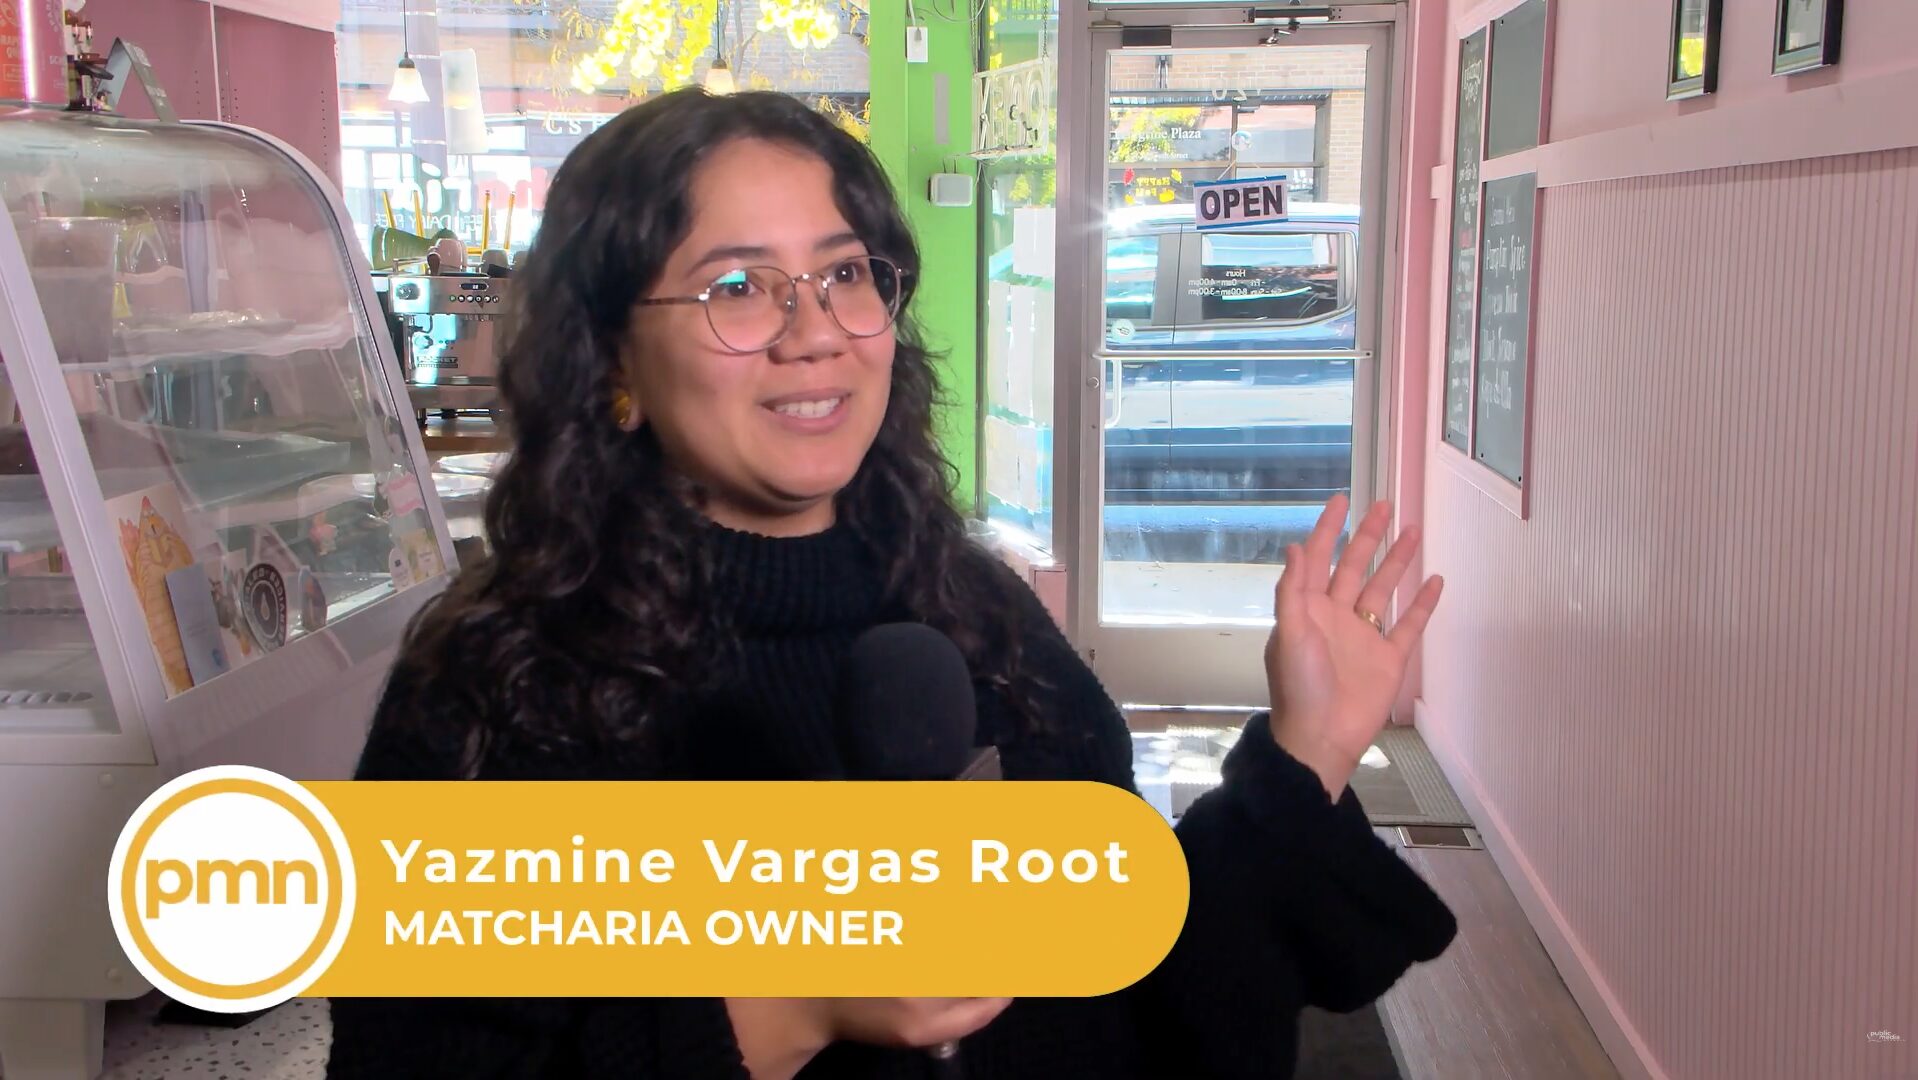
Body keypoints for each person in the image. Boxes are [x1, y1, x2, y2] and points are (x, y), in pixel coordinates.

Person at [326, 89, 1455, 1080]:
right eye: (738, 286)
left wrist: (1307, 751)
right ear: (612, 354)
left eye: (843, 274)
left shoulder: (974, 610)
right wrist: (788, 1008)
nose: (813, 333)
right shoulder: (496, 685)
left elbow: (1139, 968)